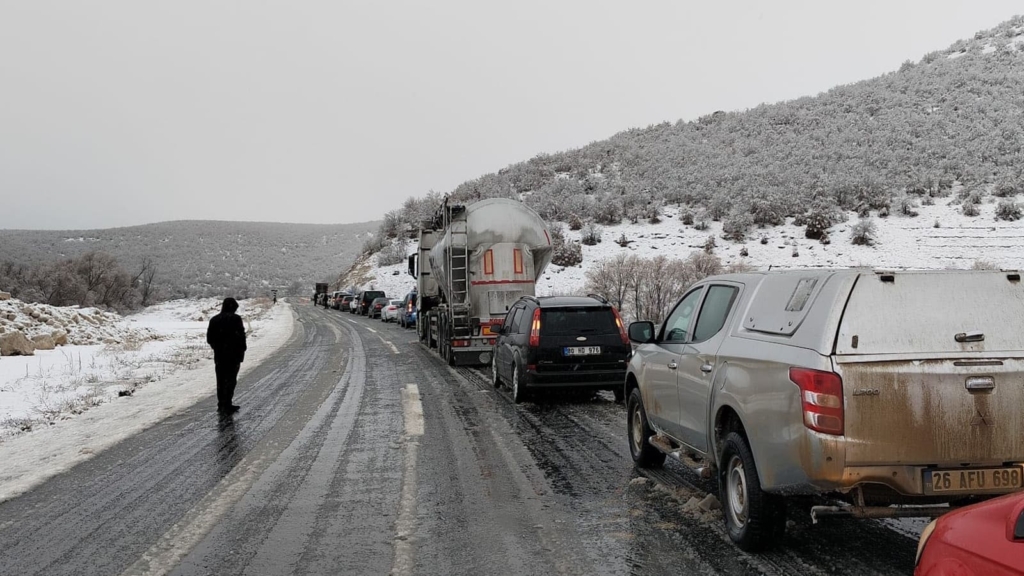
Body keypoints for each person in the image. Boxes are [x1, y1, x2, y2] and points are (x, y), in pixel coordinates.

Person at [206, 297, 247, 413]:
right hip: (234, 356)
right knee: (231, 379)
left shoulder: (214, 320)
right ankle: (227, 403)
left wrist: (217, 347)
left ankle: (221, 404)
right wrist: (242, 350)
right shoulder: (236, 319)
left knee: (221, 379)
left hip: (220, 356)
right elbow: (241, 336)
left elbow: (209, 338)